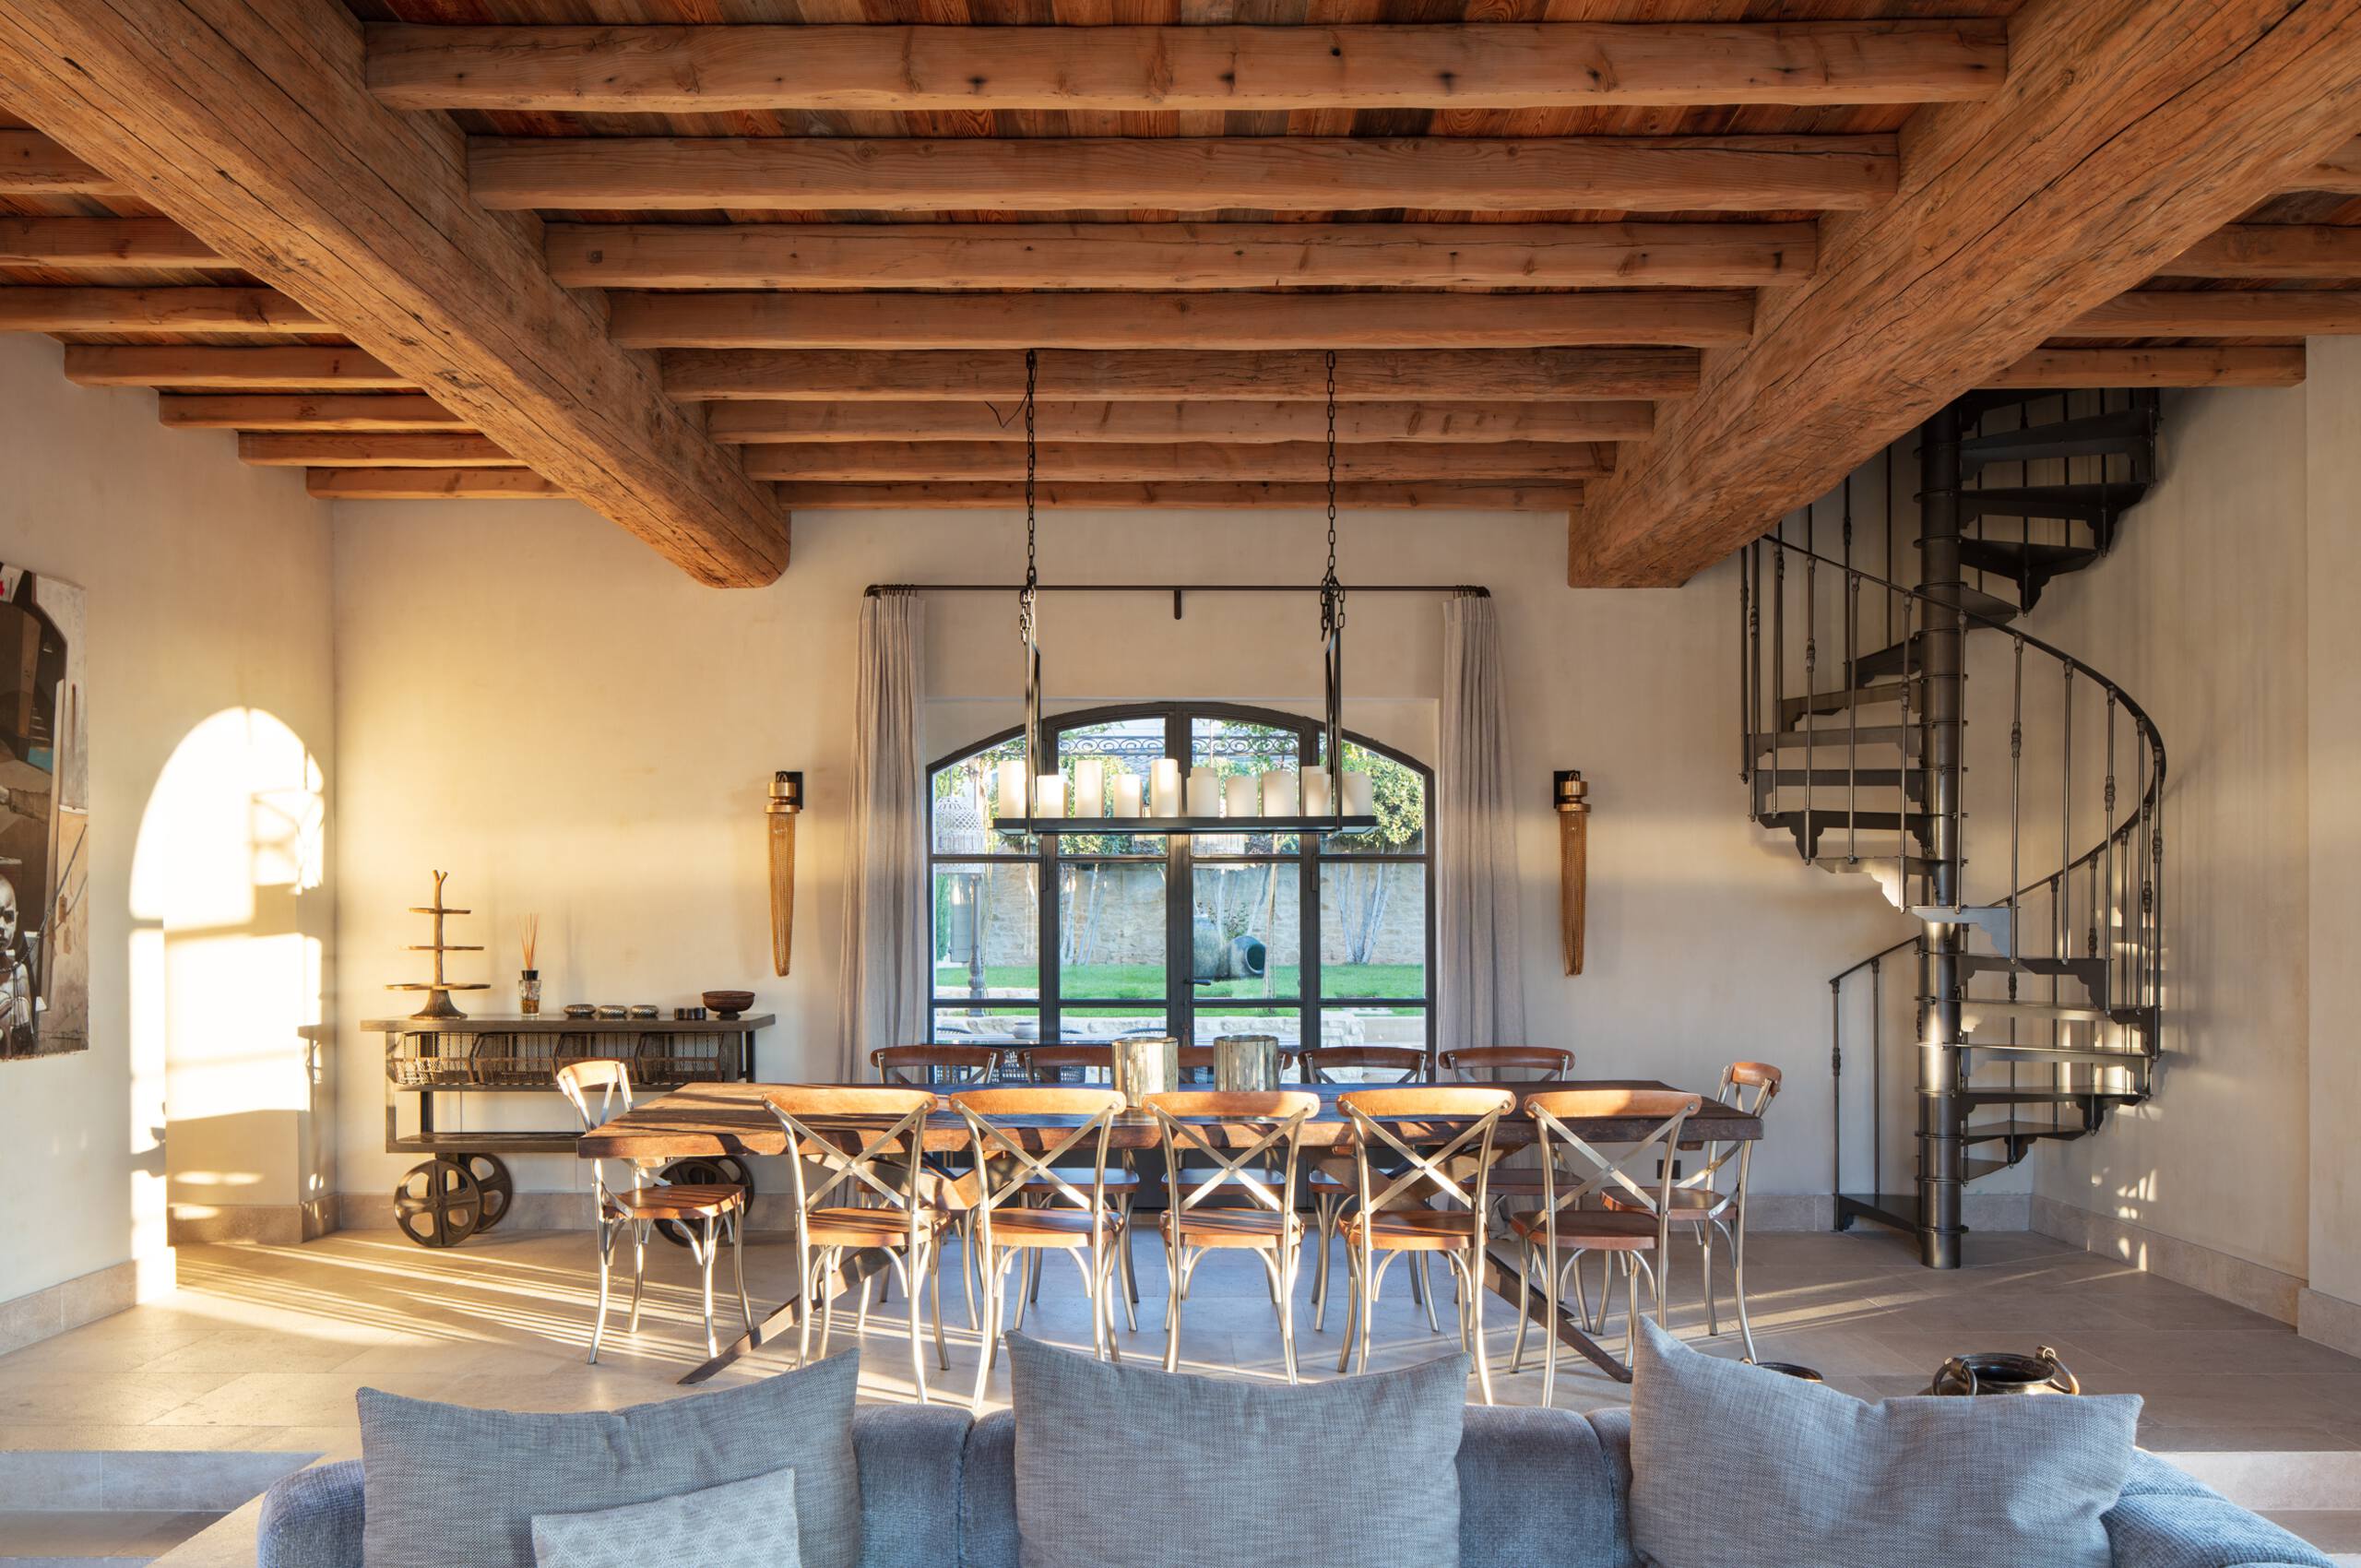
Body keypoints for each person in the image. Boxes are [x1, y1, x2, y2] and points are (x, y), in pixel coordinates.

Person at [0, 873, 37, 1051]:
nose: (1, 926)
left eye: (8, 917)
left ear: (16, 919)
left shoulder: (19, 973)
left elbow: (25, 1045)